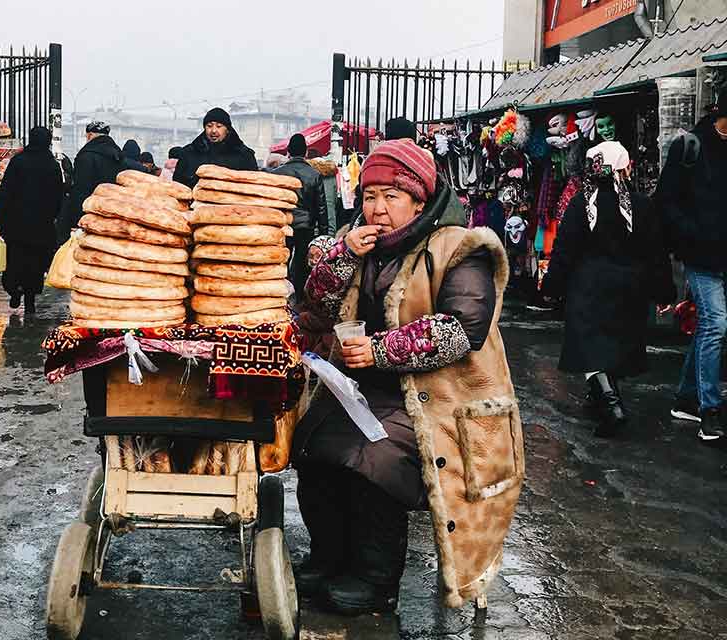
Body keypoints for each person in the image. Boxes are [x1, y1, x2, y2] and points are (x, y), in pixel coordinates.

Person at [293, 139, 523, 615]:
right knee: (314, 444)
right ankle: (330, 557)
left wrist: (379, 350)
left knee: (371, 458)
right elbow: (314, 306)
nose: (377, 209)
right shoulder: (359, 242)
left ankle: (375, 578)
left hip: (437, 397)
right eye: (369, 196)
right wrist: (341, 256)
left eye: (391, 197)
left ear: (420, 200)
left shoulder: (459, 248)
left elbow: (464, 329)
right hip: (366, 389)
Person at [542, 141, 674, 437]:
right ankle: (599, 397)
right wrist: (664, 291)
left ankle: (612, 406)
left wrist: (552, 285)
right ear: (624, 167)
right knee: (612, 347)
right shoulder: (641, 205)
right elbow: (656, 251)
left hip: (588, 289)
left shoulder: (580, 205)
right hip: (630, 290)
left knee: (591, 349)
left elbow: (564, 251)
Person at [657, 93, 727, 444]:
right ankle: (709, 410)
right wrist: (692, 234)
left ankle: (685, 398)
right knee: (717, 323)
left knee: (709, 328)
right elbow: (665, 201)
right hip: (701, 255)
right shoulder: (691, 146)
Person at [0, 126, 64, 314]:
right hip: (41, 225)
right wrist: (54, 216)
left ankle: (14, 290)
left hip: (16, 224)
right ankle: (30, 299)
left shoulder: (19, 161)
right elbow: (58, 196)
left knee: (15, 259)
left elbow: (6, 190)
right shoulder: (52, 165)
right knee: (35, 263)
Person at [274, 134, 328, 303]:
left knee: (281, 260)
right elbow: (321, 207)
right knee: (302, 263)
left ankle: (280, 295)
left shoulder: (278, 173)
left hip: (283, 224)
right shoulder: (314, 174)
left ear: (288, 152)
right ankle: (301, 299)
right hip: (306, 225)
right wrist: (324, 233)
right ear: (305, 152)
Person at [56, 121, 123, 242]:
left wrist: (76, 219)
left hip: (90, 214)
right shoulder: (119, 156)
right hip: (113, 214)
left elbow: (80, 190)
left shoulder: (86, 157)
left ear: (90, 135)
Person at [172, 107, 257, 188]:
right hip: (195, 201)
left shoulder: (244, 155)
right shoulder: (189, 153)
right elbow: (177, 185)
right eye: (209, 126)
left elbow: (254, 185)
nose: (213, 130)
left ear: (227, 129)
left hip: (232, 202)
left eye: (219, 126)